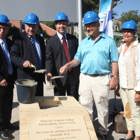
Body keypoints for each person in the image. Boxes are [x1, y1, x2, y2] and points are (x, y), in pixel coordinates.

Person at [60, 11, 119, 139]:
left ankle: (102, 132)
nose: (88, 28)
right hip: (85, 78)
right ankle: (88, 131)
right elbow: (77, 60)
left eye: (91, 25)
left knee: (102, 108)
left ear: (98, 24)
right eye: (86, 25)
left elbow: (114, 61)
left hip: (101, 78)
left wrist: (115, 77)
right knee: (85, 106)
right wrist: (68, 65)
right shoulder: (84, 42)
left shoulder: (109, 41)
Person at [46, 12, 80, 100]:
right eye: (59, 23)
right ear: (55, 25)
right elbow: (49, 59)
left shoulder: (73, 39)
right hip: (59, 77)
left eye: (64, 23)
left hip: (73, 77)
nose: (62, 25)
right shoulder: (50, 42)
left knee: (74, 102)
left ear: (67, 24)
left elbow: (78, 56)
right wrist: (49, 72)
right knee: (59, 103)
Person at [11, 13, 46, 96]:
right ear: (24, 25)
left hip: (39, 80)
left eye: (34, 26)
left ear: (37, 26)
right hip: (25, 81)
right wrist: (22, 62)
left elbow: (43, 57)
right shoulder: (19, 38)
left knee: (39, 104)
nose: (31, 28)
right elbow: (13, 55)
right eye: (29, 26)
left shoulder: (40, 39)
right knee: (27, 106)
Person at [118, 20, 140, 140]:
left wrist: (138, 91)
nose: (126, 34)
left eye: (129, 32)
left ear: (134, 33)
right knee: (127, 111)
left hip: (133, 87)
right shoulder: (122, 47)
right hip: (123, 86)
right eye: (124, 31)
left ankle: (138, 136)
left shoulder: (138, 48)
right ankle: (130, 132)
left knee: (136, 112)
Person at [0, 14, 16, 139]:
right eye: (0, 28)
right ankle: (1, 130)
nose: (2, 31)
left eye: (4, 28)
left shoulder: (9, 42)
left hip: (9, 79)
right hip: (1, 81)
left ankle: (7, 124)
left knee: (8, 104)